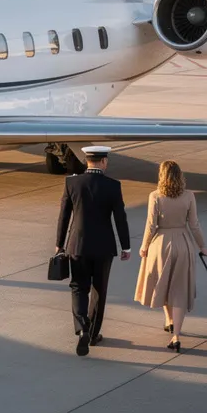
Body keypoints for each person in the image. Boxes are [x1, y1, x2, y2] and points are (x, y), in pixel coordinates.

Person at [55, 146, 130, 357]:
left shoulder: (72, 183)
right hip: (104, 247)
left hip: (77, 246)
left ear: (87, 161)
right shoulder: (113, 186)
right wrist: (126, 246)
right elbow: (120, 218)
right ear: (104, 162)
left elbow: (64, 216)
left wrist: (59, 243)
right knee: (99, 290)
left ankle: (82, 328)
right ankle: (94, 334)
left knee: (79, 287)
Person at [133, 160, 207, 353]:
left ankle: (168, 319)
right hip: (183, 243)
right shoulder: (189, 196)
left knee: (164, 284)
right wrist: (203, 246)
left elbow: (151, 225)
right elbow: (194, 225)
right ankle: (176, 334)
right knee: (179, 289)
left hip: (161, 244)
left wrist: (144, 246)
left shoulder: (155, 196)